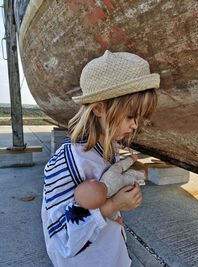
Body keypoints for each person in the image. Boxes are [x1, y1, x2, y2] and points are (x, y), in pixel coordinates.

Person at [41, 50, 160, 267]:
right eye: (131, 116)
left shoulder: (109, 148)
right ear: (98, 108)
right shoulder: (69, 161)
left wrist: (113, 213)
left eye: (139, 118)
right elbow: (61, 235)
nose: (135, 125)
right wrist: (112, 205)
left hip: (110, 254)